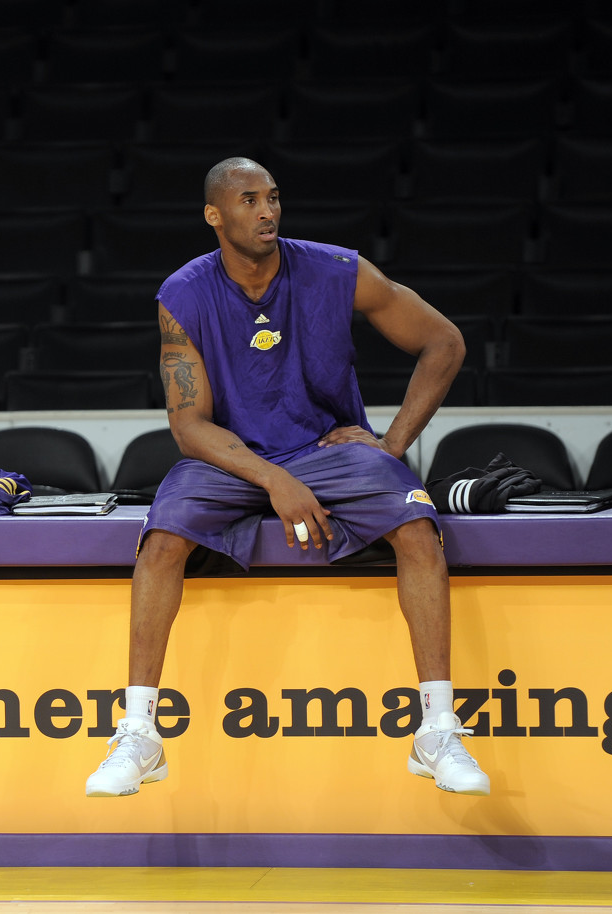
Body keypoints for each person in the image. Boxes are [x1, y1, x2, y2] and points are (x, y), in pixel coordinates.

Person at [84, 157, 490, 800]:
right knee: (162, 539)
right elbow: (189, 425)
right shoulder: (184, 293)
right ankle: (139, 734)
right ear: (214, 215)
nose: (267, 211)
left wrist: (391, 444)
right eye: (248, 200)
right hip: (233, 458)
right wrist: (275, 479)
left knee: (417, 524)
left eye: (272, 198)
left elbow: (445, 342)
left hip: (329, 450)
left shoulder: (338, 270)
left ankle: (437, 731)